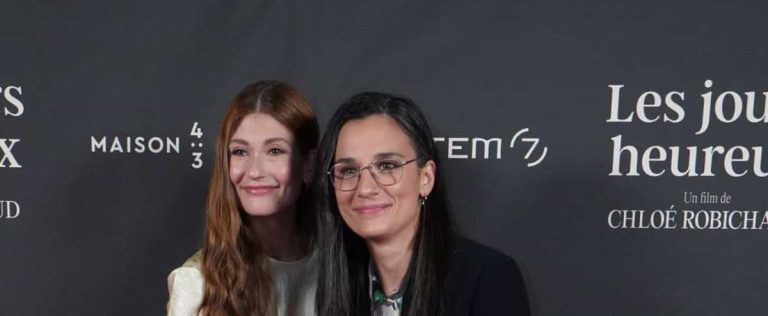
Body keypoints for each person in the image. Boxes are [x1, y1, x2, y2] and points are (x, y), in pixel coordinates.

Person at [312, 92, 530, 315]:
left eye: (387, 166)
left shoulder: (487, 277)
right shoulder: (336, 283)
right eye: (348, 171)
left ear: (426, 178)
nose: (365, 188)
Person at [167, 81, 320, 316]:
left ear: (307, 164)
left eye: (275, 151)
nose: (255, 171)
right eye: (240, 152)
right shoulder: (197, 283)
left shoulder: (340, 268)